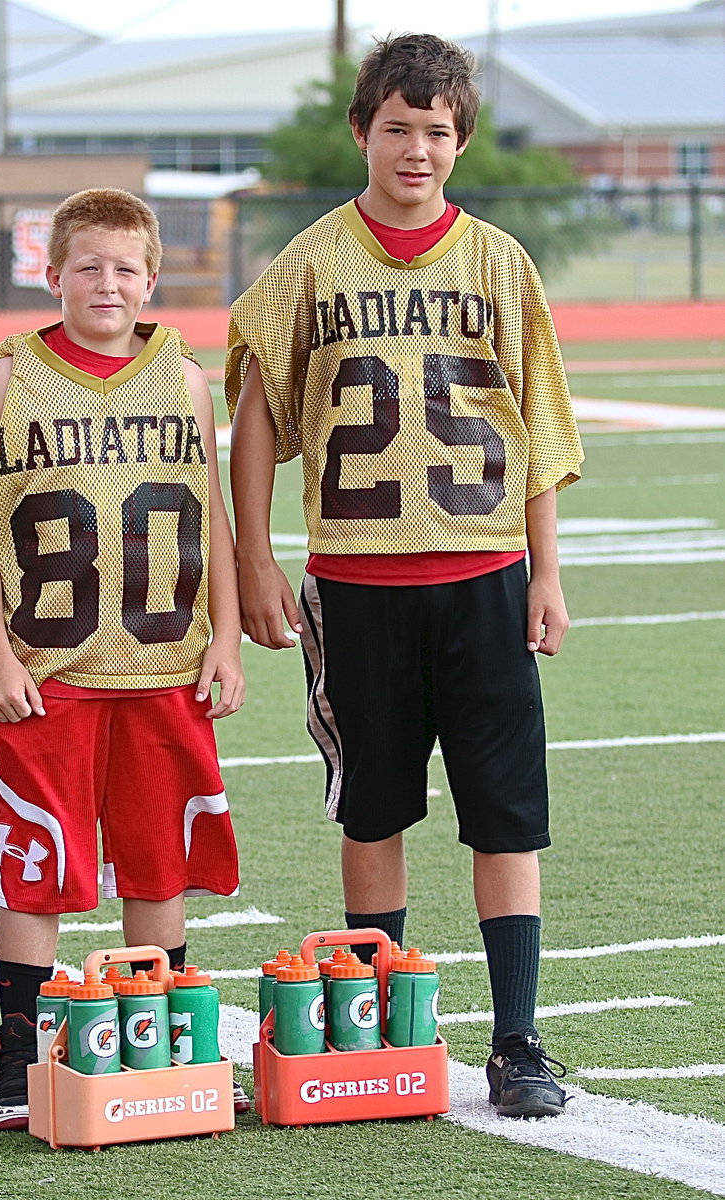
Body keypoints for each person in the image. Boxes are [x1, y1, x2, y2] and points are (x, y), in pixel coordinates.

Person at [226, 35, 583, 1119]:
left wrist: (546, 573)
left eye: (436, 131)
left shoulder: (499, 263)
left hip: (484, 573)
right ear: (361, 132)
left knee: (504, 815)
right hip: (357, 581)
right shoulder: (310, 261)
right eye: (397, 127)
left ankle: (516, 1039)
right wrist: (251, 556)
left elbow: (534, 428)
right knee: (372, 810)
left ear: (459, 141)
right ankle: (381, 1021)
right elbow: (252, 418)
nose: (415, 148)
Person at [0, 187, 245, 1131]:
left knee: (161, 872)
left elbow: (217, 518)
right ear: (52, 276)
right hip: (51, 676)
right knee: (37, 872)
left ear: (153, 278)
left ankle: (159, 1040)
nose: (107, 283)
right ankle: (17, 1044)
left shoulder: (184, 376)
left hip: (164, 667)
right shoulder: (7, 376)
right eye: (88, 266)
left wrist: (229, 640)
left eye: (125, 268)